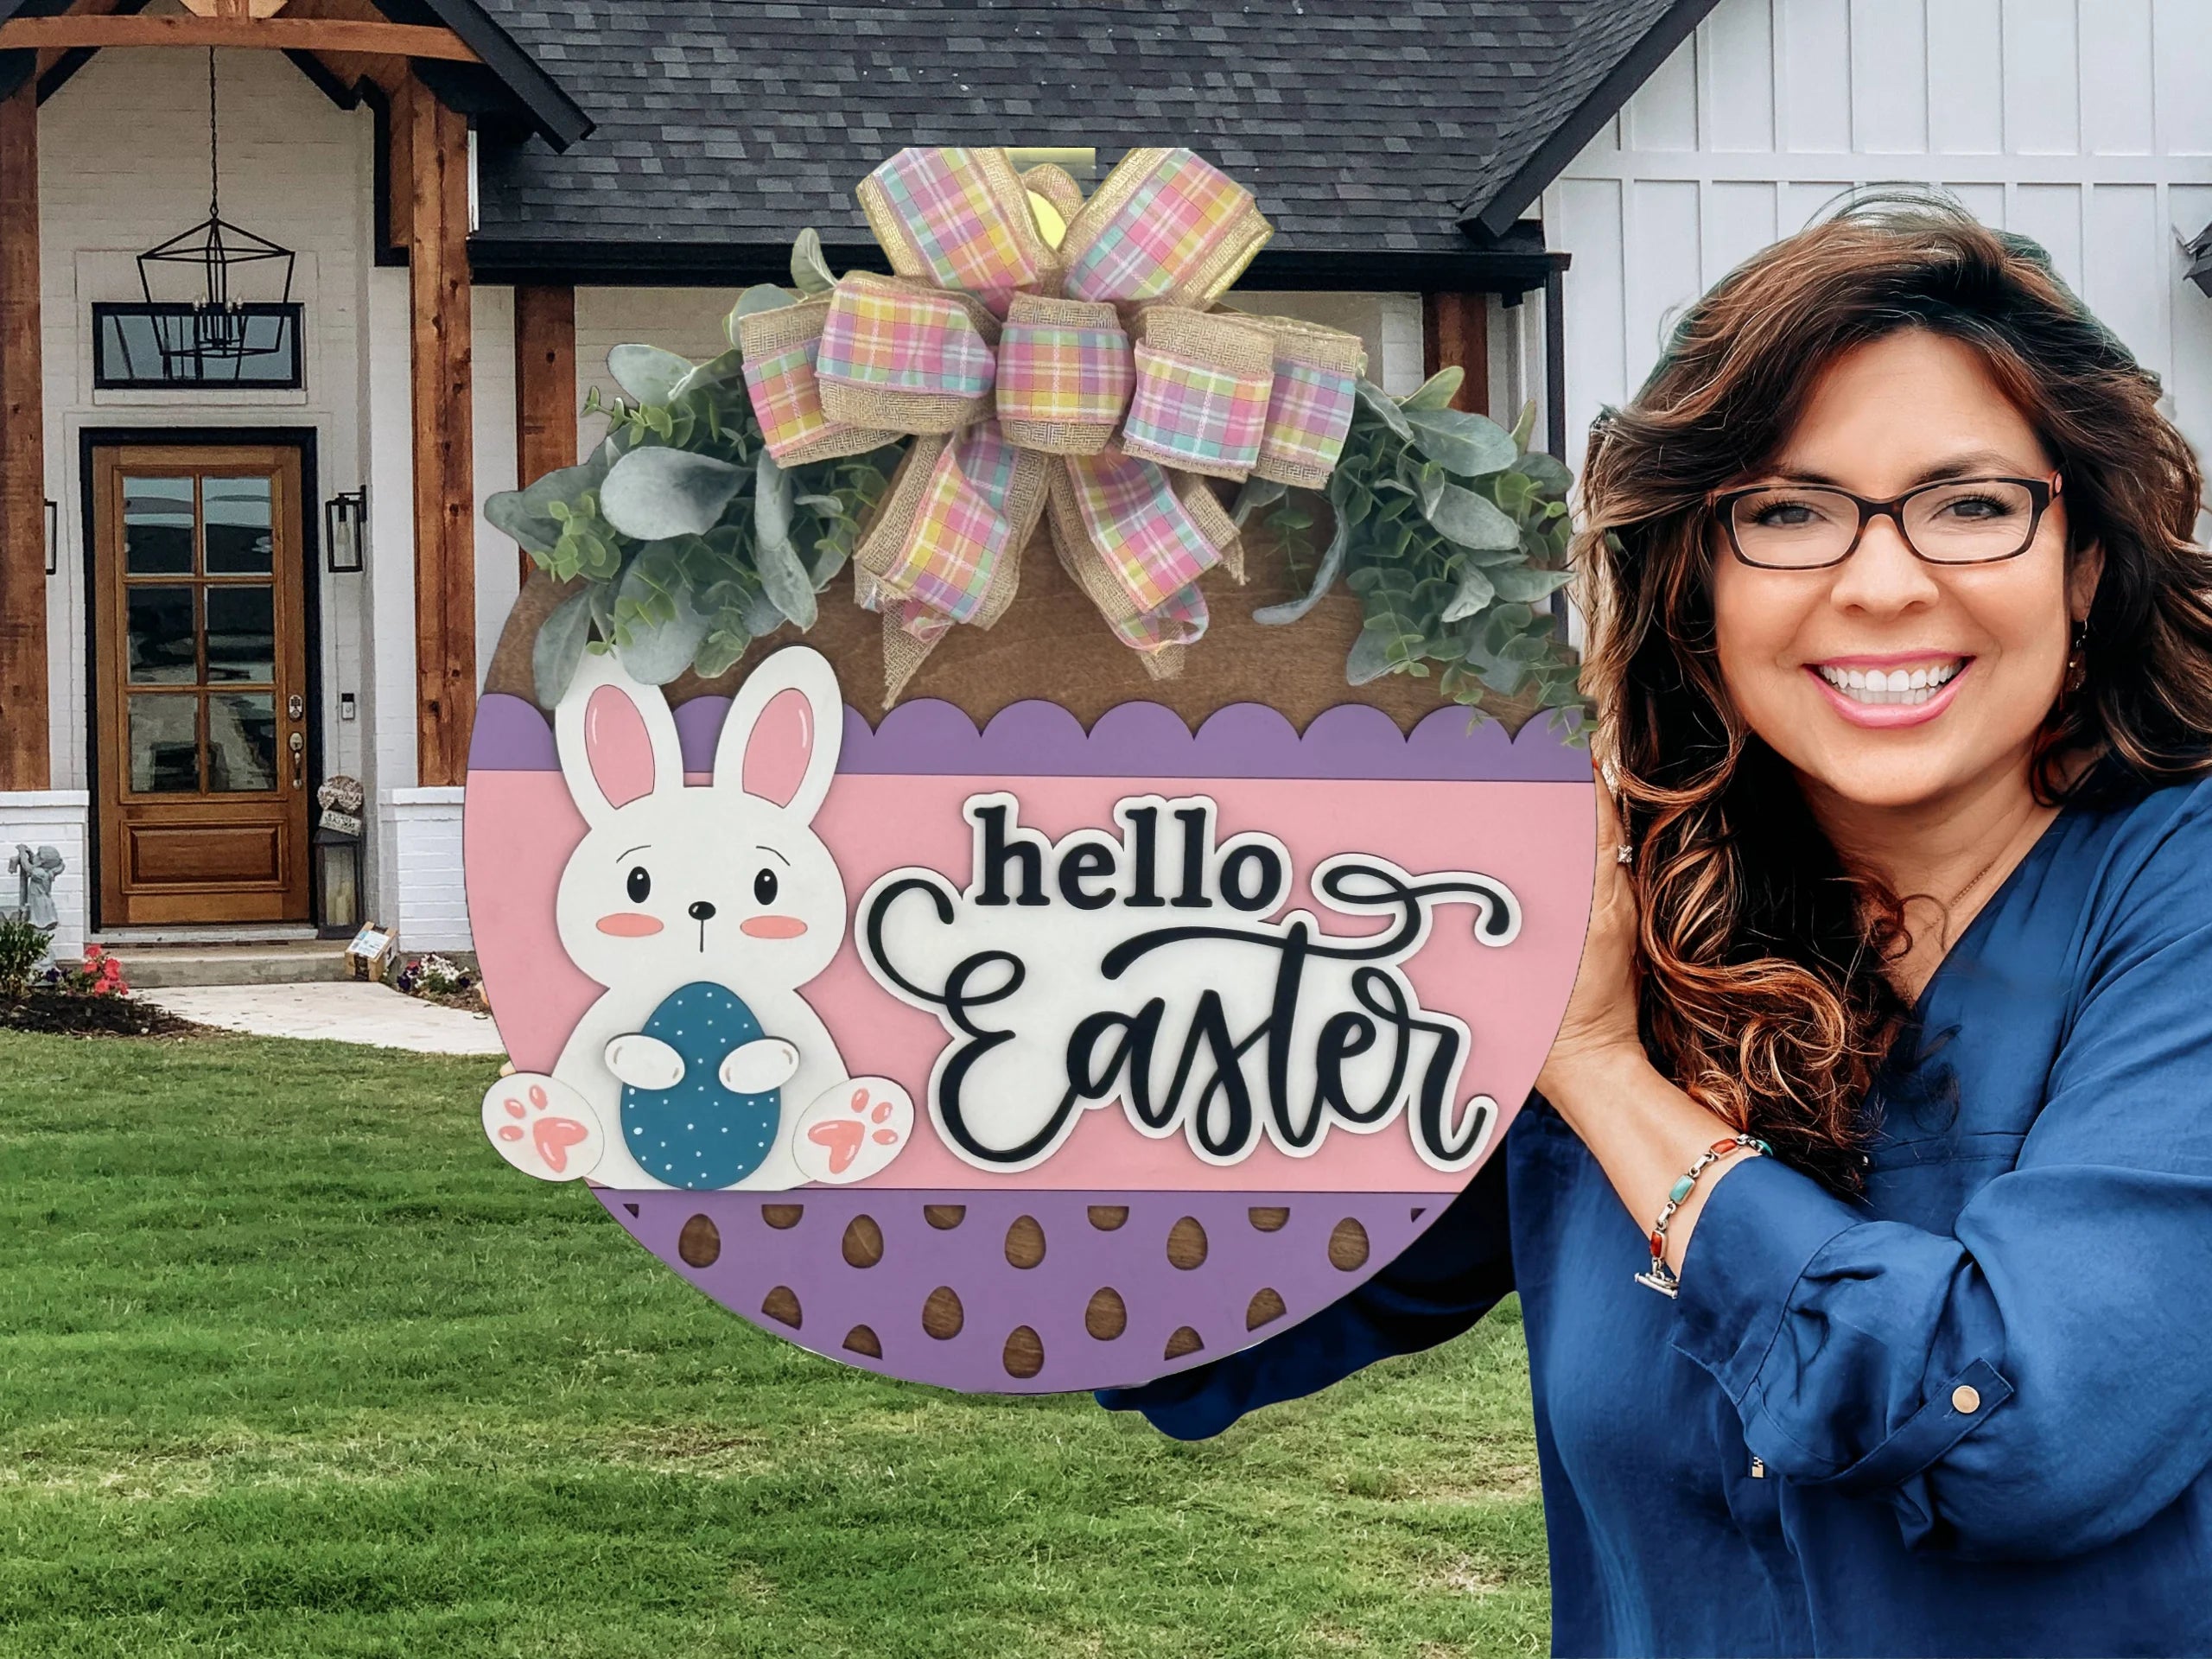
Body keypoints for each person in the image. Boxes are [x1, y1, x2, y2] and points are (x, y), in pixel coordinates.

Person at [1098, 194, 2212, 1657]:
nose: (1883, 584)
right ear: (1699, 585)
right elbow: (1198, 1318)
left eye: (1971, 505)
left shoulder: (2177, 899)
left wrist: (1603, 1072)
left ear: (2083, 565)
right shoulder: (1626, 911)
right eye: (1788, 513)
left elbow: (2025, 1433)